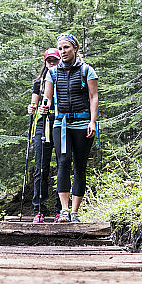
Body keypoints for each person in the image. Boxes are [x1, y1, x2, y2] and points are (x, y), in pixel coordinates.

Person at [39, 33, 98, 223]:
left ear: (75, 49)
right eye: (61, 48)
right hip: (61, 123)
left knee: (80, 166)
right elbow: (47, 95)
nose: (63, 51)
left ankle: (75, 211)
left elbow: (93, 97)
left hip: (82, 123)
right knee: (63, 162)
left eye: (66, 48)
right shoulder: (52, 72)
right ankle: (64, 210)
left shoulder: (87, 70)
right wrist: (44, 105)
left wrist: (93, 122)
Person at [27, 48, 63, 223]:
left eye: (54, 60)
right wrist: (32, 109)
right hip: (42, 124)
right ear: (45, 61)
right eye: (49, 60)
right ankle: (38, 210)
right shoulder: (38, 82)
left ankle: (60, 210)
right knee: (41, 168)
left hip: (60, 122)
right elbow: (34, 103)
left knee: (62, 166)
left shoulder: (63, 78)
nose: (51, 62)